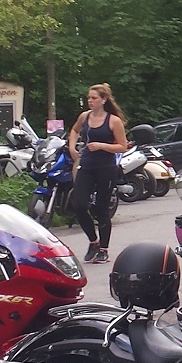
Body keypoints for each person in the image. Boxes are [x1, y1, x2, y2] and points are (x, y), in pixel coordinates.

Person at [68, 83, 129, 263]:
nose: (90, 101)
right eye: (89, 98)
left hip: (106, 167)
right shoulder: (84, 116)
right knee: (79, 205)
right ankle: (93, 241)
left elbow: (122, 146)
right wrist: (72, 147)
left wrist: (102, 146)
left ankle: (104, 249)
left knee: (101, 208)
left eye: (94, 98)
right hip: (86, 165)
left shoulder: (113, 121)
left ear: (103, 100)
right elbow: (74, 130)